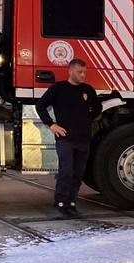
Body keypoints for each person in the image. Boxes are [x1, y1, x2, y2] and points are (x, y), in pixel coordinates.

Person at [36, 58, 101, 218]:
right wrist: (52, 125)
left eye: (84, 72)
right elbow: (41, 106)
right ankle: (61, 202)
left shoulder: (88, 90)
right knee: (66, 171)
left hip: (83, 138)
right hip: (65, 139)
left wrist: (87, 119)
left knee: (78, 173)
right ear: (70, 71)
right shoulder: (59, 88)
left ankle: (71, 202)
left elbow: (97, 108)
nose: (83, 75)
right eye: (80, 72)